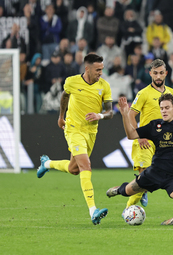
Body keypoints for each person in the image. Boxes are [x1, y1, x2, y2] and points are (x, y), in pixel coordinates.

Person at [107, 94, 173, 225]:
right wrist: (124, 115)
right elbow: (131, 135)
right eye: (161, 108)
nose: (163, 110)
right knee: (126, 192)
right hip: (154, 174)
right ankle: (118, 190)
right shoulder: (155, 125)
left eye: (167, 107)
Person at [36, 53, 113, 225]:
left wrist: (99, 115)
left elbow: (110, 112)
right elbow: (64, 96)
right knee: (86, 165)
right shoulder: (72, 81)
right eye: (97, 69)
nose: (100, 72)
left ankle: (46, 164)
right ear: (87, 68)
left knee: (74, 169)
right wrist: (61, 117)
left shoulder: (104, 86)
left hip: (91, 132)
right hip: (73, 128)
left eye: (102, 69)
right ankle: (93, 211)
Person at [123, 59, 173, 213]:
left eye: (161, 73)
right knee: (145, 178)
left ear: (166, 73)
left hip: (163, 142)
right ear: (150, 74)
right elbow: (131, 115)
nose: (158, 76)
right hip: (145, 141)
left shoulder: (172, 93)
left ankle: (143, 191)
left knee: (151, 180)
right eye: (155, 73)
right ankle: (128, 209)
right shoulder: (143, 93)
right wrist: (139, 136)